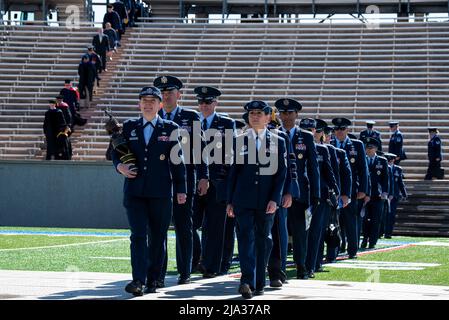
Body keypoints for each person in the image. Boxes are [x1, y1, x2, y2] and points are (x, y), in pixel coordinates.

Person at [111, 86, 187, 296]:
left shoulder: (170, 128)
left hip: (161, 192)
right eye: (144, 100)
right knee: (138, 236)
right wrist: (120, 167)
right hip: (135, 192)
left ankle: (155, 278)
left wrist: (181, 189)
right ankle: (138, 280)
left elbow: (177, 162)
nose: (148, 104)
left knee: (157, 236)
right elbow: (115, 153)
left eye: (152, 101)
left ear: (160, 105)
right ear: (139, 104)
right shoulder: (129, 126)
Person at [226, 100, 287, 299]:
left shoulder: (279, 141)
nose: (255, 116)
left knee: (263, 241)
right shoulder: (239, 140)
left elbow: (281, 174)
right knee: (245, 240)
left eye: (259, 113)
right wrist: (230, 200)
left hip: (266, 201)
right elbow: (233, 173)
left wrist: (275, 199)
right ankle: (246, 281)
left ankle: (259, 282)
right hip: (243, 199)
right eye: (252, 113)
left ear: (268, 117)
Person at [154, 75, 209, 286]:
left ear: (179, 94)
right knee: (158, 228)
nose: (166, 96)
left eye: (170, 92)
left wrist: (204, 176)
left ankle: (185, 271)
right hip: (159, 180)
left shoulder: (191, 117)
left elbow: (201, 149)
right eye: (163, 93)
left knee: (183, 227)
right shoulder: (153, 116)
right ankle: (158, 274)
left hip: (185, 179)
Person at [192, 86, 235, 278]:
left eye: (207, 102)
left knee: (215, 226)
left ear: (215, 103)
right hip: (194, 180)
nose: (203, 105)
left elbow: (229, 153)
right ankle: (195, 260)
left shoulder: (226, 123)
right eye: (200, 102)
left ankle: (212, 266)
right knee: (190, 224)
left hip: (217, 181)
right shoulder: (192, 121)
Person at [277, 99, 320, 279]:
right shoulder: (273, 134)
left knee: (300, 232)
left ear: (296, 115)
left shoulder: (306, 137)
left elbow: (313, 167)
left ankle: (301, 265)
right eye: (283, 113)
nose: (286, 116)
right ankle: (278, 268)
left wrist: (316, 193)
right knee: (278, 231)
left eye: (290, 113)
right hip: (277, 191)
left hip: (300, 192)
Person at [301, 118, 339, 278]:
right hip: (300, 196)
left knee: (315, 232)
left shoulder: (322, 150)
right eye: (304, 129)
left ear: (316, 131)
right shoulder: (293, 146)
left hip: (319, 197)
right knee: (300, 233)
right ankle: (300, 264)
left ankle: (311, 265)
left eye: (311, 130)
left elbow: (329, 173)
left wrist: (336, 191)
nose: (309, 132)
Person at [331, 117, 369, 259]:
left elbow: (363, 170)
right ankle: (333, 250)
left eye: (342, 129)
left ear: (347, 130)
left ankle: (352, 250)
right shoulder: (330, 143)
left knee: (350, 221)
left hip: (351, 190)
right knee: (333, 222)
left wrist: (363, 190)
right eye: (337, 129)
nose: (339, 132)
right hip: (333, 190)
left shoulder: (357, 145)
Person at [323, 125, 352, 263]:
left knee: (333, 225)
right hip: (319, 195)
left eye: (329, 135)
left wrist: (345, 194)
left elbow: (346, 175)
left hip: (334, 194)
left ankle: (331, 255)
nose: (327, 137)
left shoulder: (339, 152)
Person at [361, 138, 389, 249]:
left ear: (376, 149)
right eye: (367, 147)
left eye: (370, 148)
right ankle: (364, 239)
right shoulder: (362, 159)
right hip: (365, 195)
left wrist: (385, 192)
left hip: (377, 195)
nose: (368, 150)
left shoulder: (382, 161)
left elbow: (385, 178)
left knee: (376, 220)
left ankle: (372, 241)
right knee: (365, 219)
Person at [384, 152, 407, 238]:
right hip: (385, 195)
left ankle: (388, 232)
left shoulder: (398, 169)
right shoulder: (383, 167)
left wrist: (404, 193)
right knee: (383, 214)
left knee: (391, 215)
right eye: (388, 160)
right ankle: (380, 232)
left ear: (393, 160)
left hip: (394, 195)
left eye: (391, 160)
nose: (390, 162)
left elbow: (400, 182)